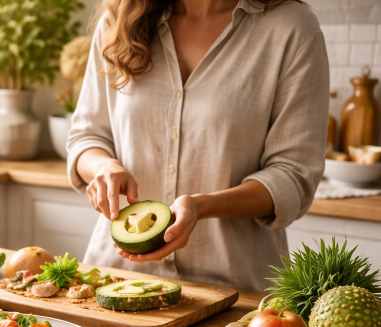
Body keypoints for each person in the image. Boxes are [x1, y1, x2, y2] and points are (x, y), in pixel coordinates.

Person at [67, 0, 328, 291]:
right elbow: (86, 137)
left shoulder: (291, 28)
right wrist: (104, 167)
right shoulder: (118, 18)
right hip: (115, 278)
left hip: (233, 291)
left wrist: (202, 206)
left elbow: (293, 176)